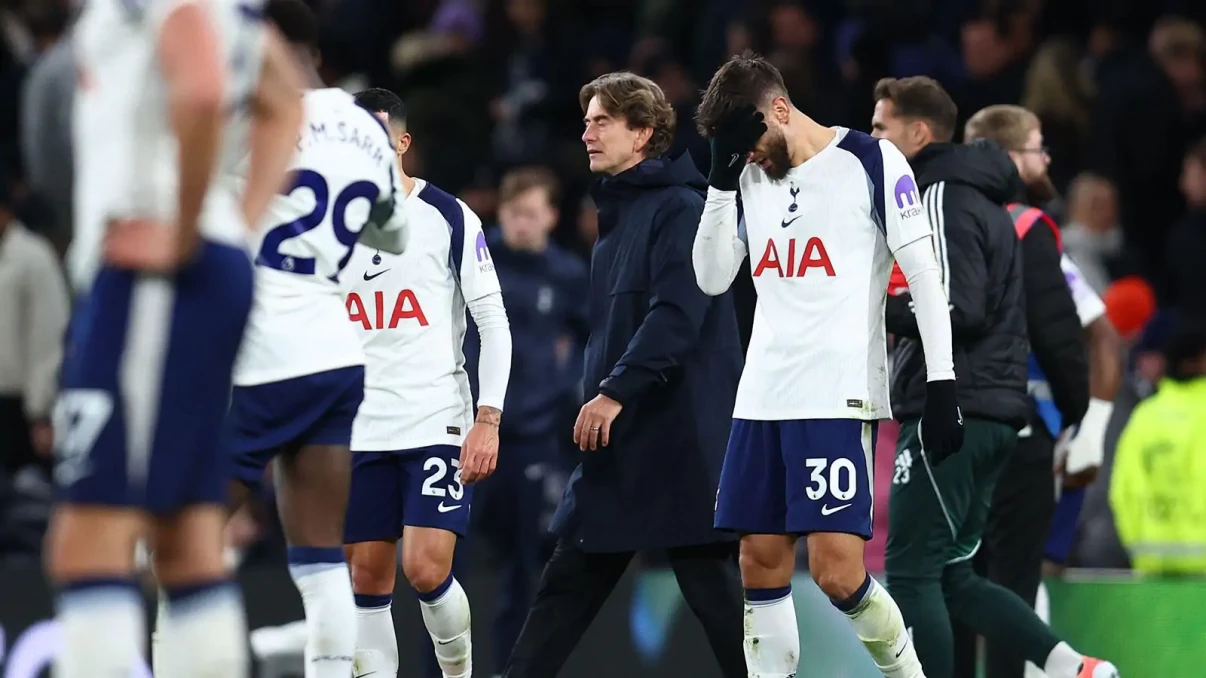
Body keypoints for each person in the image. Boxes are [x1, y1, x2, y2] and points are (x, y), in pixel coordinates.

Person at [45, 1, 304, 677]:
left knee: (88, 538)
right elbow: (282, 97)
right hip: (194, 268)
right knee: (186, 534)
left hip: (154, 276)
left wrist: (184, 230)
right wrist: (235, 228)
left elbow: (202, 89)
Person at [692, 52, 959, 678]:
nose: (750, 153)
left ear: (779, 109)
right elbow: (710, 279)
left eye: (753, 137)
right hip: (761, 396)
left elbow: (923, 274)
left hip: (835, 393)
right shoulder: (745, 176)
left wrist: (943, 380)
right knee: (758, 561)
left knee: (837, 570)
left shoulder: (870, 160)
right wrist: (718, 183)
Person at [502, 71, 747, 678]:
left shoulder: (681, 207)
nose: (585, 131)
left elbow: (677, 316)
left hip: (677, 439)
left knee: (716, 601)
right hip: (623, 447)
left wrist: (612, 391)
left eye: (601, 120)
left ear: (642, 133)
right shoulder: (617, 217)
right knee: (565, 587)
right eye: (585, 119)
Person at [870, 77, 1117, 678]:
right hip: (998, 413)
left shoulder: (939, 198)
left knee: (911, 572)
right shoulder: (1000, 210)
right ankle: (1073, 667)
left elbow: (961, 307)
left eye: (880, 128)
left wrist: (870, 305)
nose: (871, 139)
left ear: (917, 133)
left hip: (953, 408)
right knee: (956, 574)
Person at [225, 12, 410, 678]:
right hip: (334, 354)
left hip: (252, 352)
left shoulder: (248, 117)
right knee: (320, 558)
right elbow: (394, 237)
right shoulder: (366, 125)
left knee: (182, 539)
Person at [341, 87, 512, 678]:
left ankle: (458, 673)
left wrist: (487, 419)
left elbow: (493, 322)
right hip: (358, 427)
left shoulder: (446, 215)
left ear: (403, 144)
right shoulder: (326, 226)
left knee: (426, 567)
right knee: (365, 574)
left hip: (434, 416)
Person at [960, 103, 1124, 678]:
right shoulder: (1016, 231)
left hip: (1004, 437)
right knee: (968, 582)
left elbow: (1103, 339)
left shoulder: (1031, 235)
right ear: (1009, 158)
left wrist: (1090, 430)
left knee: (982, 582)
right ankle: (1067, 666)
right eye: (1037, 147)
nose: (1047, 158)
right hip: (996, 429)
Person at [469, 165, 588, 675]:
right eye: (514, 212)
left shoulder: (565, 273)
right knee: (443, 566)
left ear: (550, 217)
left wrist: (565, 386)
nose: (521, 223)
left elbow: (588, 334)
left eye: (532, 214)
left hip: (531, 438)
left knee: (524, 571)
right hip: (468, 435)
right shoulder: (476, 259)